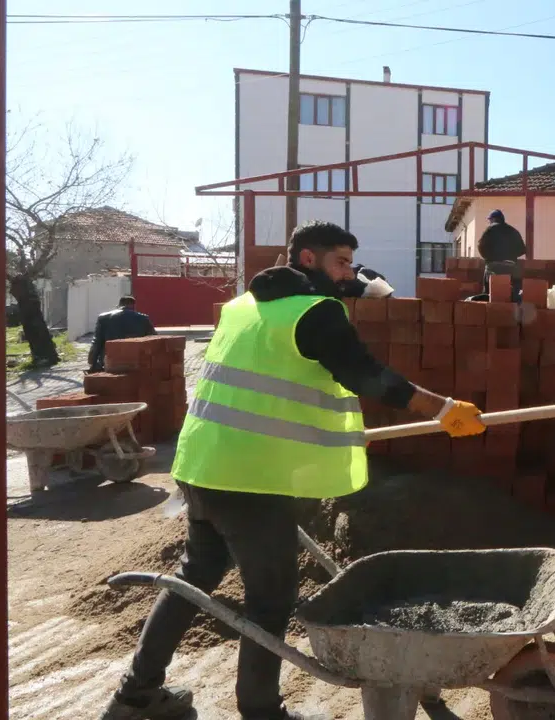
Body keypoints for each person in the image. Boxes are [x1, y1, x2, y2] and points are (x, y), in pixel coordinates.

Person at [101, 221, 486, 720]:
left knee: (195, 576)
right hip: (250, 479)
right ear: (308, 259)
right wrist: (443, 408)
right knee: (271, 597)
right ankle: (261, 712)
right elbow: (364, 373)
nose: (349, 274)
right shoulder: (315, 312)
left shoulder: (244, 307)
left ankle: (135, 695)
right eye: (341, 262)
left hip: (200, 464)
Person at [87, 295, 155, 372]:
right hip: (136, 362)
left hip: (110, 362)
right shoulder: (143, 318)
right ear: (134, 306)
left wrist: (92, 363)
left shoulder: (103, 317)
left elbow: (96, 342)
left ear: (119, 305)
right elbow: (154, 340)